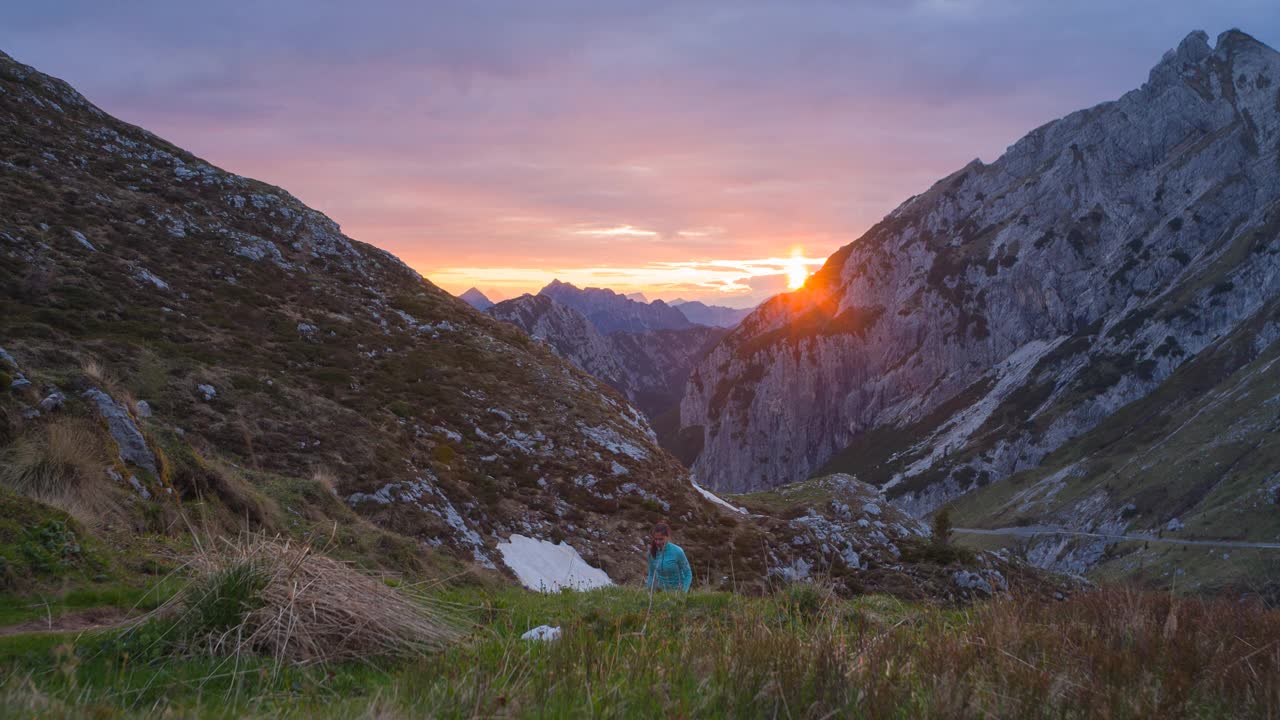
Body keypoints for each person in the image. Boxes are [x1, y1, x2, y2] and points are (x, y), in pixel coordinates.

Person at [645, 522, 692, 592]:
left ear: (668, 537)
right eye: (656, 539)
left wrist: (683, 592)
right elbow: (651, 574)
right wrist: (648, 591)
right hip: (661, 593)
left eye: (661, 539)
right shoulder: (651, 553)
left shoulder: (678, 551)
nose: (658, 542)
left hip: (678, 592)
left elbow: (688, 573)